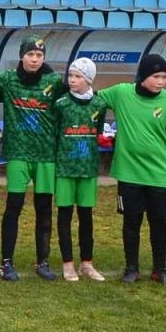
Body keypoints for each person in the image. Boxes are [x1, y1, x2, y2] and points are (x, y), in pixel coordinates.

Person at [93, 52, 166, 285]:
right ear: (142, 75)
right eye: (156, 76)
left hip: (158, 172)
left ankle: (160, 269)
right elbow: (90, 98)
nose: (161, 81)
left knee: (158, 222)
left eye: (164, 77)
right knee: (131, 221)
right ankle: (131, 268)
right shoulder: (121, 93)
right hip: (129, 172)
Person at [0, 35, 62, 281]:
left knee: (44, 209)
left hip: (45, 155)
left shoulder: (54, 81)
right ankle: (6, 264)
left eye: (39, 55)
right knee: (14, 207)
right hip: (18, 154)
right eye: (31, 54)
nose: (35, 59)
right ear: (22, 55)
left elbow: (80, 92)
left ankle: (43, 262)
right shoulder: (8, 79)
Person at [51, 57, 105, 282]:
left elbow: (99, 132)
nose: (72, 80)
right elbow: (54, 134)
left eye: (78, 76)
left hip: (88, 169)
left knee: (86, 217)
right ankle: (67, 264)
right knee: (65, 216)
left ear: (89, 79)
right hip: (65, 168)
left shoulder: (99, 104)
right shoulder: (61, 103)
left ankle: (87, 263)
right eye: (70, 76)